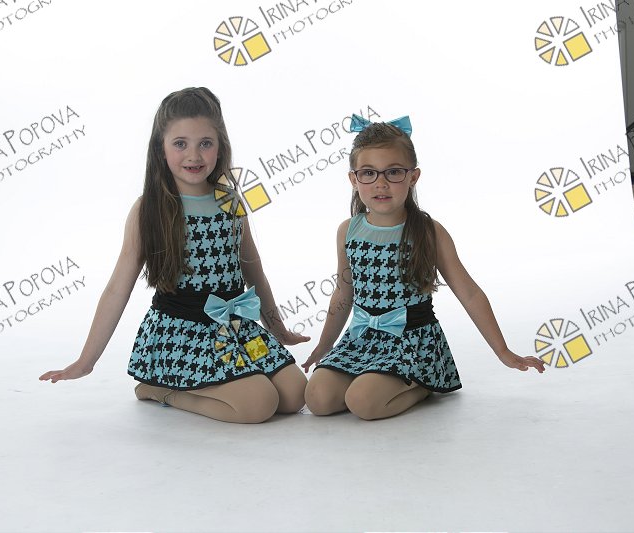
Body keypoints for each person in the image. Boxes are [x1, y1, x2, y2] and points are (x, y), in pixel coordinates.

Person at [40, 87, 308, 423]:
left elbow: (255, 273)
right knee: (258, 404)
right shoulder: (150, 208)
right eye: (180, 143)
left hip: (235, 329)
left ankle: (227, 382)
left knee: (295, 394)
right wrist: (86, 361)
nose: (194, 155)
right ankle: (161, 390)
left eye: (205, 143)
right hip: (181, 335)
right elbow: (117, 289)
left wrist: (278, 329)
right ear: (161, 149)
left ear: (220, 146)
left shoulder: (230, 201)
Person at [301, 115, 544, 420]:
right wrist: (324, 346)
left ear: (413, 177)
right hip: (362, 338)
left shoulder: (428, 232)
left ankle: (425, 383)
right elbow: (343, 293)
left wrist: (503, 351)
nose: (381, 183)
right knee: (318, 399)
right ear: (353, 180)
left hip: (412, 342)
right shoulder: (348, 230)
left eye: (393, 172)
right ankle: (375, 381)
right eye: (369, 173)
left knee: (362, 402)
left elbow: (469, 293)